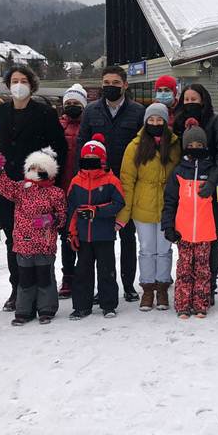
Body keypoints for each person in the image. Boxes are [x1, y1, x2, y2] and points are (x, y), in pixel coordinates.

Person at [0, 64, 67, 313]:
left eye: (23, 80)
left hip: (36, 190)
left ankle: (42, 290)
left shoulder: (44, 113)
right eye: (14, 81)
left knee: (39, 241)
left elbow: (58, 149)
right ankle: (19, 289)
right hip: (8, 189)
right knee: (13, 241)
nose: (18, 85)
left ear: (32, 85)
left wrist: (46, 178)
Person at [77, 65, 145, 302]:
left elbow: (143, 147)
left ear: (125, 85)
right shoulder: (91, 111)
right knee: (100, 240)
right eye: (106, 83)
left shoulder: (137, 111)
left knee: (127, 236)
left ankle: (128, 284)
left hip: (126, 183)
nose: (110, 87)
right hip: (98, 184)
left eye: (116, 83)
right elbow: (82, 144)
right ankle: (104, 288)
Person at [0, 147, 66, 326]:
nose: (34, 172)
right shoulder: (20, 188)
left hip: (45, 244)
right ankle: (24, 310)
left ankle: (46, 308)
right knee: (25, 279)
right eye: (32, 168)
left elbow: (62, 216)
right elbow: (3, 185)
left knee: (45, 277)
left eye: (39, 169)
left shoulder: (55, 193)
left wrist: (51, 219)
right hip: (24, 244)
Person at [117, 103, 182, 312]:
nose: (155, 123)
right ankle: (147, 288)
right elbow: (127, 181)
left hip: (167, 206)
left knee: (164, 250)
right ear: (146, 122)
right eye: (151, 120)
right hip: (142, 206)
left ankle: (162, 287)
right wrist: (124, 214)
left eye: (159, 120)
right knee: (146, 250)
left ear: (165, 121)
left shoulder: (174, 145)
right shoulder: (134, 147)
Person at [172, 84, 218, 304]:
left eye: (194, 99)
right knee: (187, 238)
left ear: (203, 100)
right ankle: (188, 286)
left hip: (209, 185)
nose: (190, 103)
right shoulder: (179, 123)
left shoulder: (215, 121)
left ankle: (208, 285)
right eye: (186, 99)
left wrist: (212, 181)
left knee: (210, 237)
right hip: (186, 186)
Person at [66, 134, 126, 320]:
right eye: (87, 157)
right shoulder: (76, 181)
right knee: (82, 272)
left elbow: (119, 203)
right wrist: (72, 233)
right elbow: (71, 210)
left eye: (94, 158)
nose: (90, 160)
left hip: (104, 235)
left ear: (102, 159)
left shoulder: (111, 180)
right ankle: (81, 306)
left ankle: (108, 305)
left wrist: (97, 211)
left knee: (106, 271)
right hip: (84, 236)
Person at [162, 119, 217, 319]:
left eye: (199, 145)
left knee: (202, 268)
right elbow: (169, 201)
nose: (195, 148)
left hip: (204, 231)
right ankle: (183, 304)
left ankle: (200, 303)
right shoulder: (178, 171)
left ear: (205, 146)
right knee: (184, 268)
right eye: (191, 145)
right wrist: (168, 226)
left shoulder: (211, 171)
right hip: (183, 231)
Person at [57, 83, 88, 299]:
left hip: (85, 188)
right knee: (66, 235)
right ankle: (68, 275)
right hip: (62, 188)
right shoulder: (57, 126)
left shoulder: (89, 125)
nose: (72, 106)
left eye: (76, 103)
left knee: (85, 235)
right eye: (68, 103)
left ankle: (84, 274)